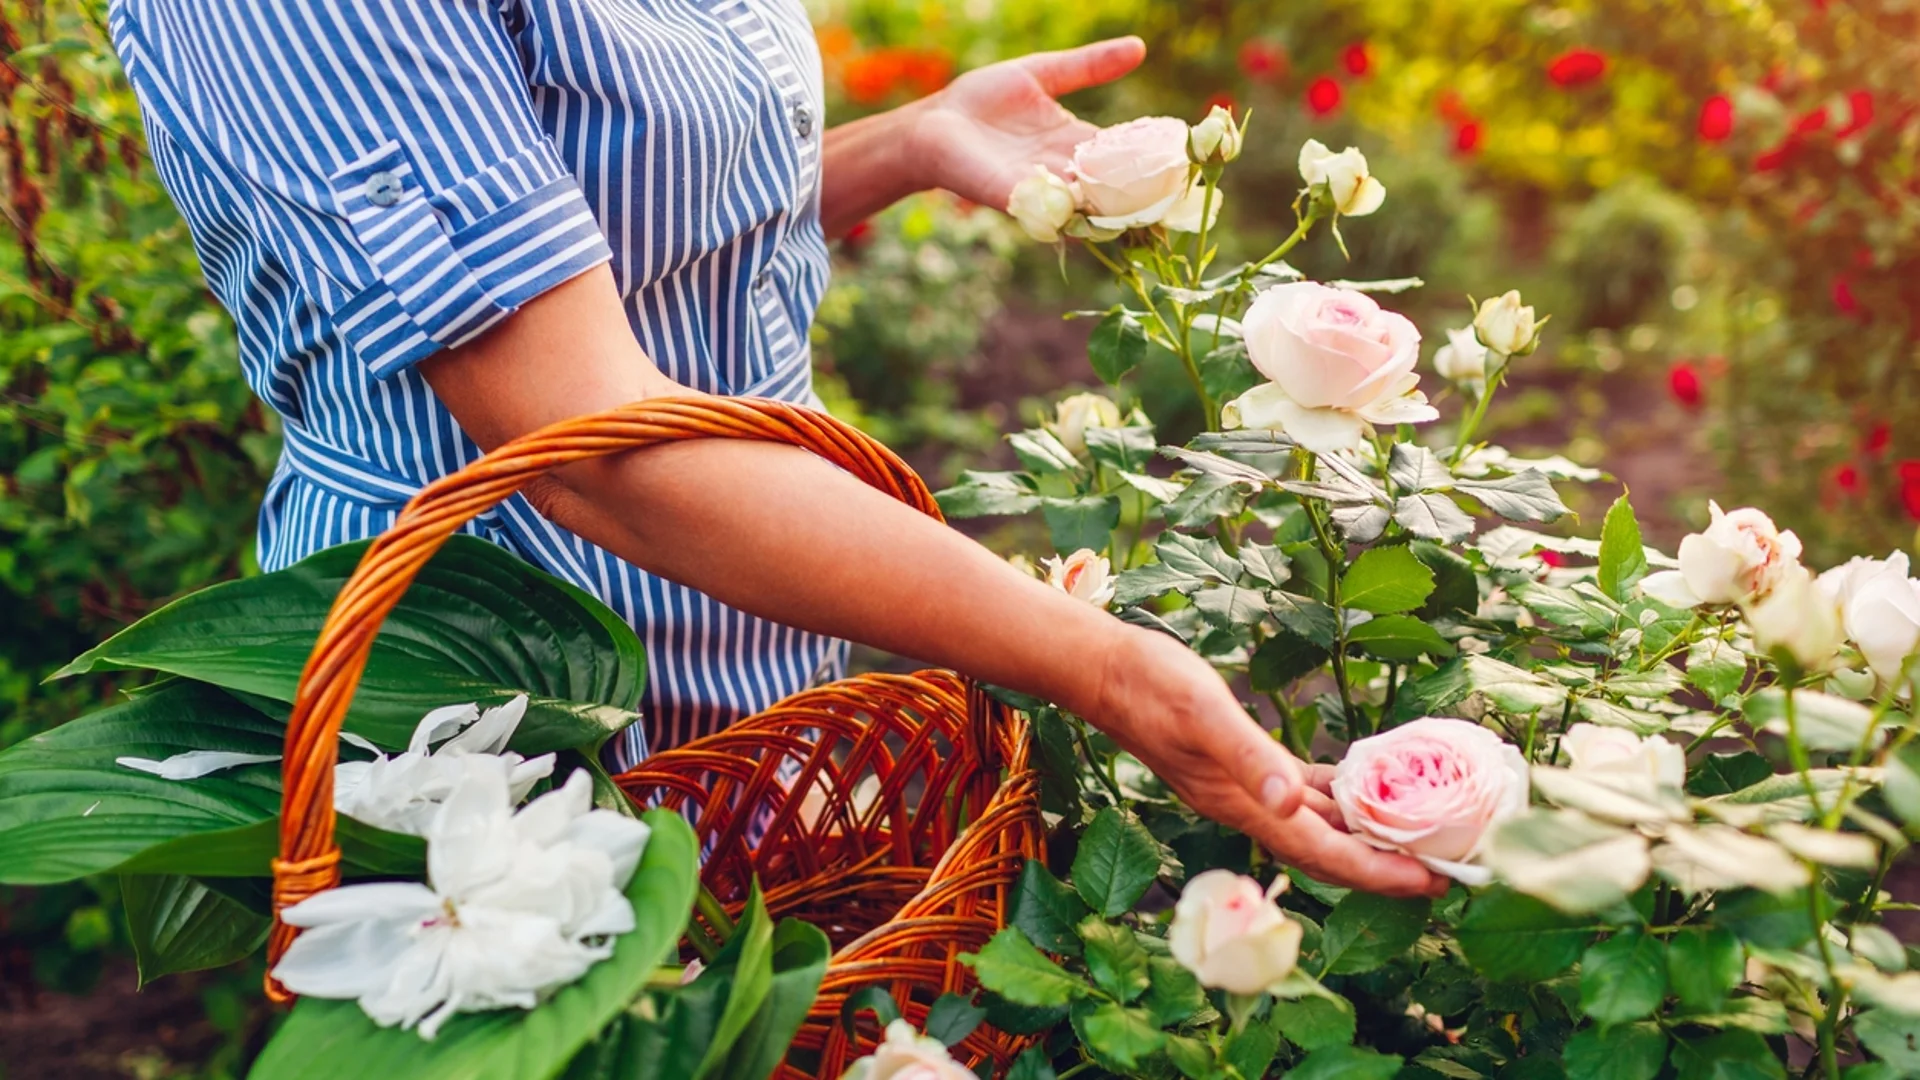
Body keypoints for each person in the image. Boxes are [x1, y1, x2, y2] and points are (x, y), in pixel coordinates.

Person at [108, 0, 1442, 898]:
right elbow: (582, 441)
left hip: (765, 624)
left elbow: (609, 217)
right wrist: (1118, 676)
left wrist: (904, 143)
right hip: (494, 686)